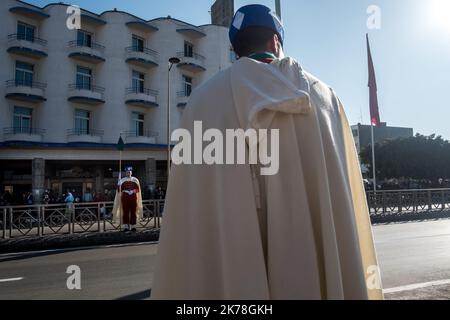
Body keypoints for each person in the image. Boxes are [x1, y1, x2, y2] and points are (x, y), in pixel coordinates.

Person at [151, 4, 383, 300]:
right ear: (276, 40)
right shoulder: (326, 101)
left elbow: (188, 216)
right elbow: (343, 204)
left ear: (235, 50)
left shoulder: (200, 105)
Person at [112, 166, 143, 232]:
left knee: (133, 212)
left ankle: (133, 226)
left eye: (129, 172)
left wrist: (132, 191)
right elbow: (118, 190)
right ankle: (126, 226)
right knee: (125, 212)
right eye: (127, 172)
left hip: (133, 198)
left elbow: (138, 189)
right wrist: (119, 184)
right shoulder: (122, 180)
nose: (128, 173)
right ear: (125, 173)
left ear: (131, 172)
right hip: (125, 198)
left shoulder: (135, 180)